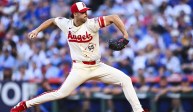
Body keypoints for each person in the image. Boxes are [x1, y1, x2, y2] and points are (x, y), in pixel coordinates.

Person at [10, 2, 144, 112]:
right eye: (83, 12)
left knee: (126, 80)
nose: (86, 13)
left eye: (86, 11)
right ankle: (25, 104)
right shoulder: (66, 24)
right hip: (80, 68)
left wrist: (126, 35)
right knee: (61, 93)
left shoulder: (92, 23)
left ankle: (139, 111)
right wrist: (37, 30)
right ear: (75, 14)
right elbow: (52, 21)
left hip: (97, 66)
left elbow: (114, 17)